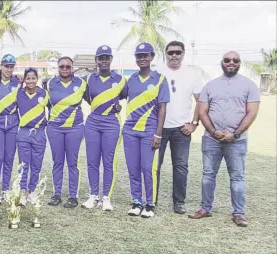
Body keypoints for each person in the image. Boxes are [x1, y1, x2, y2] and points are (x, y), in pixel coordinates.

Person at [189, 51, 260, 227]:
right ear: (222, 62)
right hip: (211, 139)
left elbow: (252, 113)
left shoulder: (249, 85)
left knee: (237, 177)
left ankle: (238, 212)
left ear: (239, 63)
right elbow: (202, 111)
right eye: (227, 60)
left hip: (237, 140)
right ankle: (205, 208)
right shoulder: (210, 86)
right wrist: (213, 131)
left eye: (235, 60)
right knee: (208, 175)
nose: (231, 63)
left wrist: (235, 134)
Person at [153, 41, 204, 214]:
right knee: (154, 166)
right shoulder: (157, 72)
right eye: (171, 52)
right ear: (165, 54)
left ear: (183, 54)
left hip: (181, 129)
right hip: (158, 129)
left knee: (181, 166)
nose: (174, 56)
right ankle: (152, 199)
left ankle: (179, 202)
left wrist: (194, 123)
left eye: (178, 52)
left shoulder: (192, 74)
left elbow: (201, 101)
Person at [123, 42, 170, 218]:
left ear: (151, 57)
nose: (142, 59)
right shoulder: (132, 80)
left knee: (147, 168)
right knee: (133, 168)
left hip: (149, 130)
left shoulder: (159, 79)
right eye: (139, 56)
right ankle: (136, 201)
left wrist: (158, 133)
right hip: (130, 130)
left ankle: (150, 204)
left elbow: (163, 108)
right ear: (136, 58)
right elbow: (119, 96)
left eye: (145, 55)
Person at [81, 45, 128, 211]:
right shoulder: (88, 79)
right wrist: (100, 105)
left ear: (111, 60)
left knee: (108, 162)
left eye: (107, 58)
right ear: (96, 60)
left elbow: (122, 97)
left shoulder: (121, 80)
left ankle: (106, 197)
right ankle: (93, 196)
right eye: (101, 58)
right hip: (93, 121)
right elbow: (86, 97)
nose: (104, 61)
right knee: (92, 161)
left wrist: (115, 107)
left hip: (111, 122)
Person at [45, 57, 87, 208]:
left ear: (72, 68)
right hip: (55, 128)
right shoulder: (49, 83)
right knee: (57, 161)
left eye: (67, 66)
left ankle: (73, 196)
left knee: (73, 162)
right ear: (58, 68)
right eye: (61, 66)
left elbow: (93, 99)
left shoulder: (81, 84)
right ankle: (57, 194)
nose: (64, 69)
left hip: (75, 128)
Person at [0, 54, 20, 205]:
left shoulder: (18, 82)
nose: (9, 69)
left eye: (11, 66)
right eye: (6, 66)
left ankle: (6, 190)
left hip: (13, 123)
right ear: (1, 66)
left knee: (9, 158)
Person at [16, 67, 49, 205]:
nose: (30, 81)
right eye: (28, 78)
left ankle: (32, 191)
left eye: (33, 78)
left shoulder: (44, 93)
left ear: (37, 79)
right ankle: (22, 192)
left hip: (39, 133)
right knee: (23, 165)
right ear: (24, 79)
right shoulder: (19, 93)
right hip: (23, 132)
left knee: (36, 165)